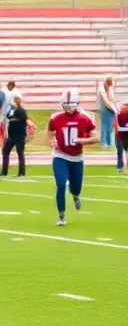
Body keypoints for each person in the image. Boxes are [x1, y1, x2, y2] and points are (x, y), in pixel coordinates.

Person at [47, 89, 97, 226]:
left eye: (71, 104)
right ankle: (61, 216)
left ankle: (75, 195)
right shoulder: (56, 117)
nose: (68, 107)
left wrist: (83, 140)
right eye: (65, 104)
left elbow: (96, 138)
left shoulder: (86, 117)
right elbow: (50, 131)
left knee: (76, 188)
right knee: (61, 184)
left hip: (77, 158)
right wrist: (51, 141)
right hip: (60, 155)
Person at [0, 91, 32, 179]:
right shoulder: (12, 110)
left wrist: (14, 110)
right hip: (11, 136)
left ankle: (21, 173)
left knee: (20, 153)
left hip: (19, 136)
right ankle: (4, 171)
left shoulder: (21, 111)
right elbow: (9, 116)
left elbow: (19, 117)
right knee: (5, 151)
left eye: (16, 100)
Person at [97, 77, 117, 148]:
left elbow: (112, 99)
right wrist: (114, 109)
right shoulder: (101, 89)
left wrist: (115, 107)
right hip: (104, 108)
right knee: (105, 125)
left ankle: (109, 142)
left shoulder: (110, 88)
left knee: (110, 126)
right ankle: (104, 142)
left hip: (111, 108)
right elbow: (106, 102)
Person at [116, 100, 128, 172]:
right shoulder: (119, 116)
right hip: (121, 136)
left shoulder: (119, 115)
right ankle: (122, 166)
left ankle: (122, 166)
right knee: (122, 151)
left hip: (121, 135)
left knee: (122, 151)